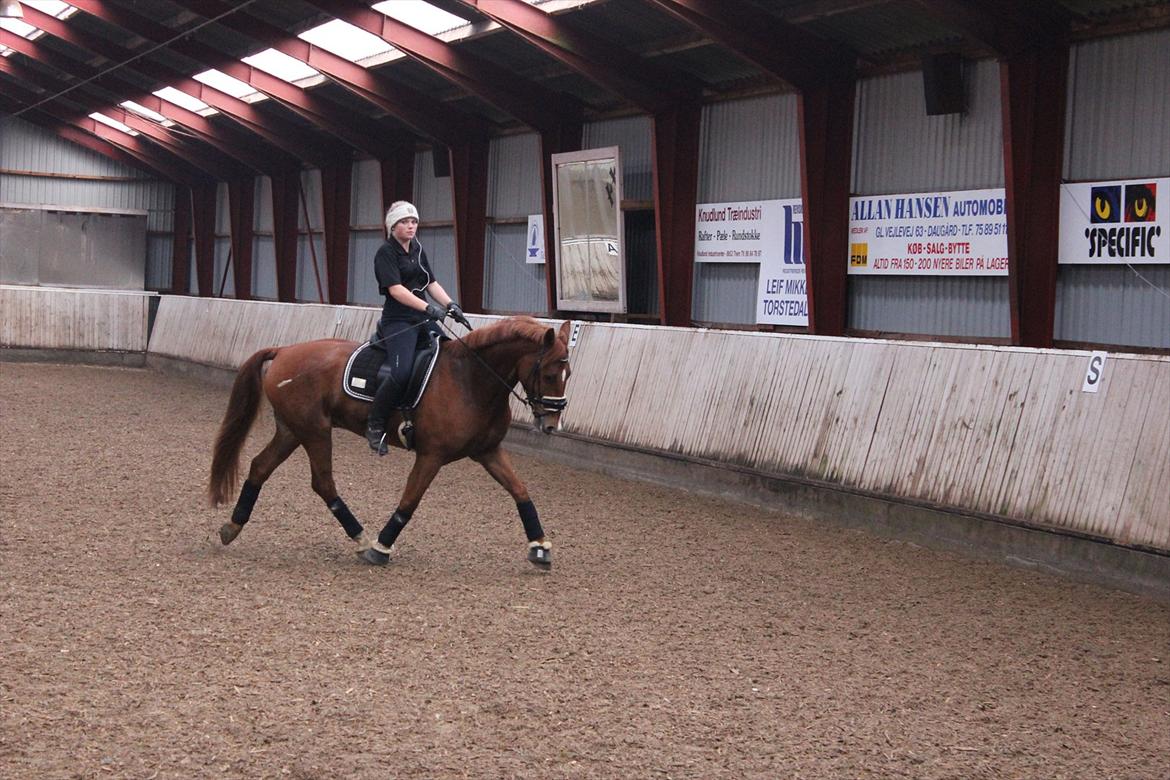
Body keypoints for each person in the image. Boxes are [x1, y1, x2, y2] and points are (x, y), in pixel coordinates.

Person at [365, 201, 465, 455]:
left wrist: (450, 303)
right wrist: (427, 308)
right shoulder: (385, 253)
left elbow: (431, 282)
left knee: (450, 358)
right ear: (392, 226)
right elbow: (396, 289)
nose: (410, 226)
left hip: (422, 318)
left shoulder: (418, 249)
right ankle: (375, 424)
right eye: (404, 222)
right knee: (401, 373)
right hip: (398, 321)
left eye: (413, 222)